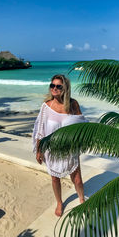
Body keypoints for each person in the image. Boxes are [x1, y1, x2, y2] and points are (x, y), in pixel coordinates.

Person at [32, 74, 88, 217]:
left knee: (77, 179)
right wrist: (39, 151)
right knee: (55, 178)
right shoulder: (46, 107)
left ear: (65, 88)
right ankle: (59, 202)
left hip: (69, 148)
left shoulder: (73, 104)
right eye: (52, 85)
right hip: (52, 149)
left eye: (58, 86)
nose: (55, 88)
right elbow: (40, 131)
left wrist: (81, 141)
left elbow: (82, 124)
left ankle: (82, 199)